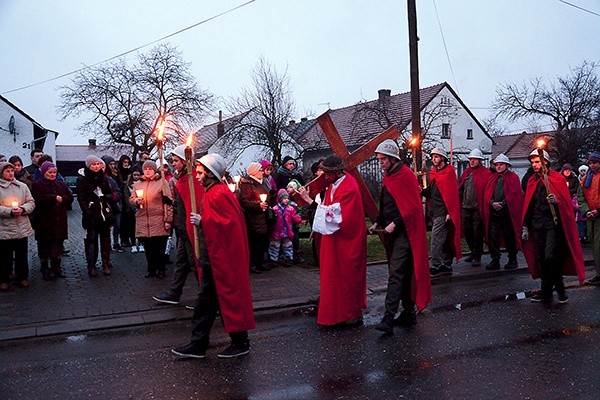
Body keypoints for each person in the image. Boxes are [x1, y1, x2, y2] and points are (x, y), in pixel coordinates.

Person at [172, 153, 255, 359]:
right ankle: (203, 342)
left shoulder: (218, 193)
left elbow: (227, 225)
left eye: (200, 173)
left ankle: (206, 343)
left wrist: (203, 221)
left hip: (220, 259)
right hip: (214, 257)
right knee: (210, 302)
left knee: (210, 301)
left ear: (211, 174)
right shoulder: (213, 191)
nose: (197, 176)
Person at [368, 140, 431, 334]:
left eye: (383, 159)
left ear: (393, 158)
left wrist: (394, 223)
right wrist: (378, 221)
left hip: (405, 232)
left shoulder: (406, 176)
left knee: (396, 273)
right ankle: (409, 312)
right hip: (392, 231)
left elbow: (412, 207)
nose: (380, 163)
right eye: (379, 160)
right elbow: (387, 202)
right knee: (403, 273)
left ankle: (388, 317)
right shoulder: (389, 176)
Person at [521, 149, 585, 303]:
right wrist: (525, 226)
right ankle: (547, 291)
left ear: (545, 162)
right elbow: (529, 205)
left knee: (550, 257)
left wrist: (557, 202)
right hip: (537, 224)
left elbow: (566, 205)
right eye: (533, 163)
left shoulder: (557, 179)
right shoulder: (532, 181)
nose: (535, 165)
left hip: (553, 224)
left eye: (537, 162)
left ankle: (560, 290)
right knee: (541, 257)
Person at [314, 155, 367, 327]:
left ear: (338, 172)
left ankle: (350, 314)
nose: (326, 177)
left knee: (347, 279)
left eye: (329, 174)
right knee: (334, 279)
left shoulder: (349, 187)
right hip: (335, 240)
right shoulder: (334, 185)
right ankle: (334, 315)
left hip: (347, 242)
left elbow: (336, 216)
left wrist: (310, 203)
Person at [152, 145, 201, 305]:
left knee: (195, 262)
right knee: (182, 263)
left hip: (191, 229)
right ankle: (174, 293)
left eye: (176, 161)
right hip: (182, 229)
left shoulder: (193, 180)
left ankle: (205, 297)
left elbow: (193, 205)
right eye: (172, 161)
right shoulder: (181, 179)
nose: (173, 164)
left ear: (185, 160)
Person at [422, 148, 462, 276]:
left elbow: (451, 195)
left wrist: (449, 212)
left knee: (436, 239)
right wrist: (423, 191)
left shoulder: (449, 173)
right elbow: (432, 192)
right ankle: (446, 264)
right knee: (444, 239)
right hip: (434, 211)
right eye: (433, 157)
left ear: (442, 158)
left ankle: (436, 264)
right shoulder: (434, 173)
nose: (434, 159)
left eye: (436, 157)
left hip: (443, 212)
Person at [31, 162, 73, 280]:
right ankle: (45, 269)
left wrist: (62, 199)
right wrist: (53, 198)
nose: (52, 174)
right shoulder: (37, 185)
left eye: (54, 172)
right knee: (44, 246)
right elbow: (38, 199)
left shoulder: (61, 184)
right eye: (50, 172)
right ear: (44, 173)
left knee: (57, 245)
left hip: (59, 220)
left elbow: (70, 198)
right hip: (44, 221)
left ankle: (57, 268)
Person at [130, 160, 173, 279]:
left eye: (150, 168)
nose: (148, 171)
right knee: (148, 248)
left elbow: (168, 202)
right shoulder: (138, 184)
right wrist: (136, 201)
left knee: (159, 247)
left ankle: (161, 269)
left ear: (154, 170)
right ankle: (151, 269)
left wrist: (168, 220)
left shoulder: (162, 182)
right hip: (144, 220)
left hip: (158, 220)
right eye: (145, 169)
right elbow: (132, 198)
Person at [76, 155, 115, 277]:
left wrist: (107, 197)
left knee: (106, 240)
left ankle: (105, 264)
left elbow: (110, 193)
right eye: (93, 164)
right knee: (91, 241)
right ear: (88, 166)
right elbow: (81, 198)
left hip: (104, 214)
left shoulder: (104, 178)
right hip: (91, 215)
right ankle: (91, 266)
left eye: (98, 164)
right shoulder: (82, 180)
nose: (96, 167)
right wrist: (87, 211)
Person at [482, 154, 523, 270]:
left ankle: (512, 259)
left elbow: (514, 195)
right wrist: (492, 203)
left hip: (507, 213)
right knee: (493, 237)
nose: (498, 167)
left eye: (501, 165)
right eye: (497, 165)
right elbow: (487, 193)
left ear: (506, 165)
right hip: (494, 213)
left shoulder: (513, 177)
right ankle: (495, 259)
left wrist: (502, 203)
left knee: (509, 236)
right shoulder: (492, 178)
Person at [0, 161, 35, 291]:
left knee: (22, 255)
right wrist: (8, 211)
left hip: (21, 226)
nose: (10, 173)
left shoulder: (22, 186)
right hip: (5, 227)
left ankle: (22, 277)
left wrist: (23, 209)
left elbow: (31, 202)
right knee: (5, 256)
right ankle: (4, 279)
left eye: (11, 170)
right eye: (7, 171)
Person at [458, 148, 491, 266]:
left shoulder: (486, 173)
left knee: (477, 232)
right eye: (471, 159)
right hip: (466, 207)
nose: (472, 161)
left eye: (474, 159)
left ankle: (477, 255)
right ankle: (472, 252)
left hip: (478, 208)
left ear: (480, 160)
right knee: (467, 231)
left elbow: (487, 191)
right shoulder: (467, 172)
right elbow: (461, 187)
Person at [239, 162, 270, 274]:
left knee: (262, 242)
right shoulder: (247, 184)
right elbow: (244, 201)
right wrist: (258, 205)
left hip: (263, 217)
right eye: (260, 170)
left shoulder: (262, 183)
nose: (262, 172)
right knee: (254, 243)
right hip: (253, 218)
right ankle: (252, 264)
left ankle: (260, 263)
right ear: (254, 172)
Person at [297, 160, 326, 268]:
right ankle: (318, 259)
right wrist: (304, 216)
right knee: (316, 234)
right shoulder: (311, 184)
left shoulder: (326, 182)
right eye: (320, 170)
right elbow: (305, 201)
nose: (322, 172)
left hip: (324, 210)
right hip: (314, 212)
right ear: (315, 172)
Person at [578, 152, 600, 285]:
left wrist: (598, 211)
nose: (592, 165)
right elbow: (580, 197)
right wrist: (586, 212)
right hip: (592, 217)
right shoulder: (585, 179)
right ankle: (599, 273)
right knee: (595, 246)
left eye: (595, 162)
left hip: (598, 214)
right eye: (590, 163)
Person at [268, 189, 302, 266]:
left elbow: (294, 216)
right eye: (284, 198)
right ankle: (273, 259)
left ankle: (288, 258)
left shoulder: (290, 209)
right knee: (275, 245)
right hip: (277, 230)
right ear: (280, 199)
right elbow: (272, 218)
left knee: (288, 245)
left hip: (287, 230)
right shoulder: (275, 209)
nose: (286, 200)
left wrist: (300, 220)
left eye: (287, 198)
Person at [102, 156, 125, 253]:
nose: (113, 166)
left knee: (117, 225)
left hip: (116, 202)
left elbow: (119, 189)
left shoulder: (116, 174)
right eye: (110, 164)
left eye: (113, 164)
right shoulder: (105, 177)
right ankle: (108, 246)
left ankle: (116, 243)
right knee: (108, 226)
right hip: (107, 204)